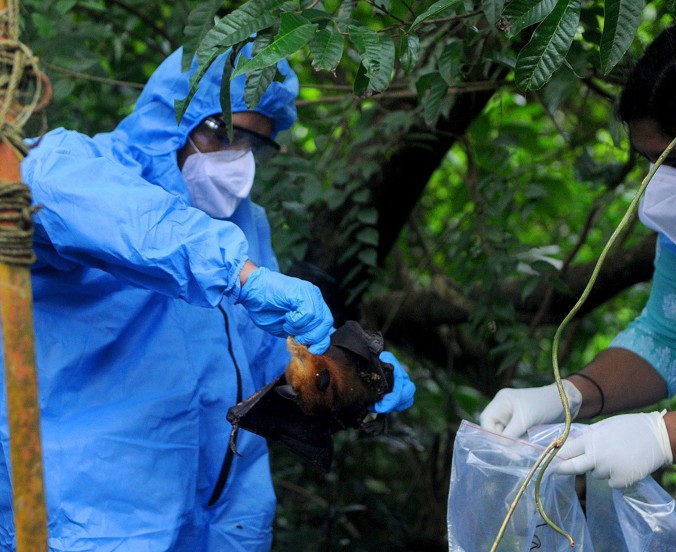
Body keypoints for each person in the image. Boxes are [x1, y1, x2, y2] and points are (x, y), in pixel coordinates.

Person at [1, 44, 415, 550]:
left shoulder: (245, 225)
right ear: (173, 116)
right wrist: (238, 273)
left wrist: (351, 375)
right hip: (98, 517)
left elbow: (265, 354)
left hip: (223, 517)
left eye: (254, 145)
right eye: (223, 132)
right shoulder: (84, 170)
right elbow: (87, 200)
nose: (237, 158)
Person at [479, 19, 676, 551]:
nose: (662, 184)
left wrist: (663, 436)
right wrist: (567, 397)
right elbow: (674, 336)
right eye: (650, 162)